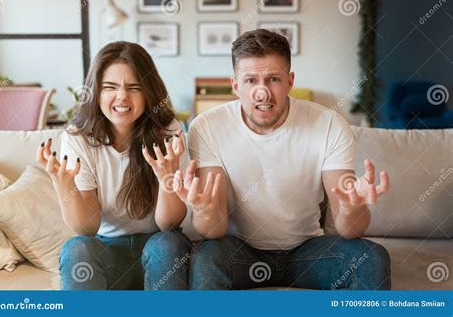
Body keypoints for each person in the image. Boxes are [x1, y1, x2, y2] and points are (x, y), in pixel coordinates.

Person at [174, 29, 391, 290]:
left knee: (373, 258)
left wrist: (354, 208)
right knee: (206, 258)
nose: (262, 92)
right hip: (241, 253)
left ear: (290, 81)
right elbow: (214, 230)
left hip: (306, 253)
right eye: (251, 80)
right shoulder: (207, 126)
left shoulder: (329, 124)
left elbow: (349, 230)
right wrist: (205, 210)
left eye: (273, 79)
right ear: (235, 86)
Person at [36, 41, 192, 290]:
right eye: (110, 87)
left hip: (157, 247)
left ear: (148, 92)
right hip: (107, 251)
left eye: (133, 88)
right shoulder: (78, 139)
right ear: (96, 92)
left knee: (168, 243)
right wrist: (64, 186)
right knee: (77, 248)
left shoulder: (168, 132)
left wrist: (167, 181)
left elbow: (169, 225)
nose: (122, 97)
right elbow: (87, 228)